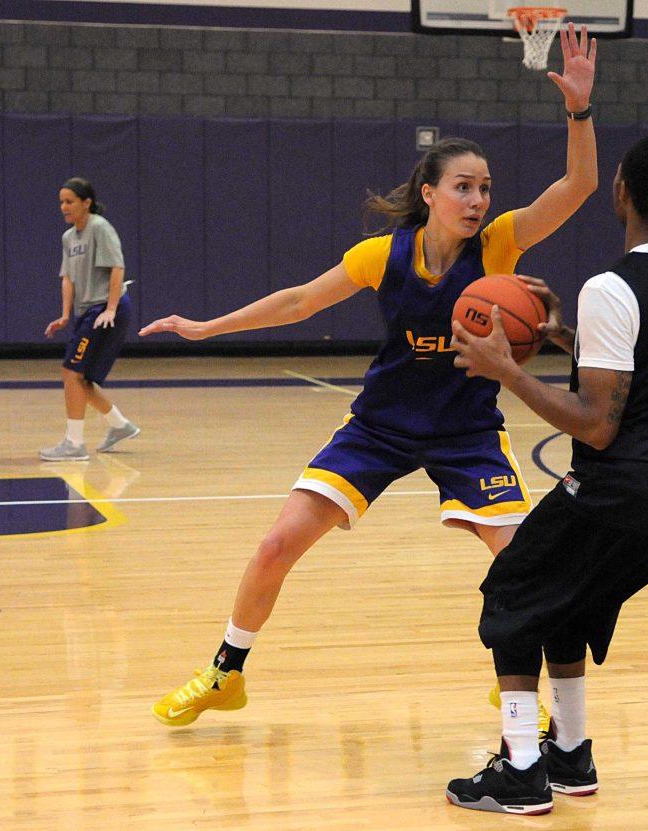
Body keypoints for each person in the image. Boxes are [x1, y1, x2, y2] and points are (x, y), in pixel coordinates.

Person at [141, 23, 597, 728]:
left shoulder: (502, 243)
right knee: (276, 544)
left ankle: (517, 690)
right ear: (430, 191)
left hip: (467, 432)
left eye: (485, 188)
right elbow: (298, 301)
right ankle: (226, 673)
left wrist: (579, 109)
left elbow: (579, 185)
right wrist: (205, 327)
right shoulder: (383, 254)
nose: (478, 200)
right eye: (464, 187)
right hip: (380, 427)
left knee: (521, 563)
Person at [444, 133, 648, 815]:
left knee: (511, 590)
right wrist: (564, 338)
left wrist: (507, 369)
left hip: (625, 487)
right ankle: (570, 756)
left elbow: (597, 423)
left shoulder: (613, 285)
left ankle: (520, 767)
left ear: (621, 190)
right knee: (567, 600)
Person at [40, 178, 140, 461]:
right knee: (82, 378)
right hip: (88, 311)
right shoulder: (68, 238)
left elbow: (117, 268)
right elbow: (68, 279)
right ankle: (121, 426)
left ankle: (74, 444)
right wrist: (64, 314)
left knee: (71, 372)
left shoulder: (99, 227)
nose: (64, 207)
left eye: (69, 201)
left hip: (107, 309)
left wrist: (110, 309)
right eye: (61, 201)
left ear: (87, 203)